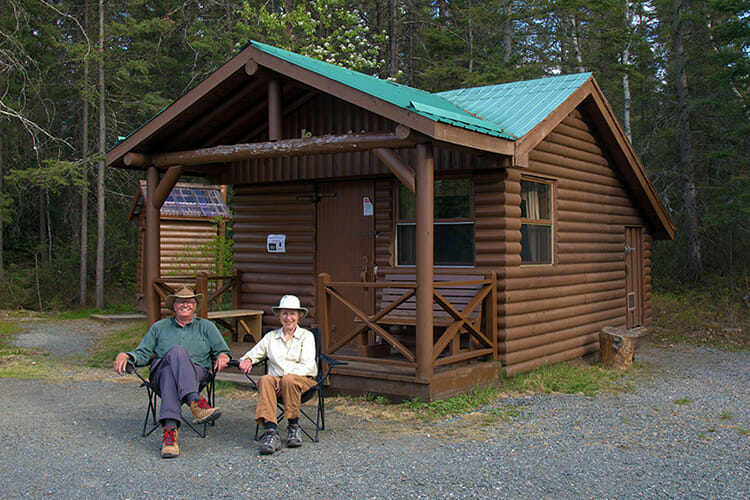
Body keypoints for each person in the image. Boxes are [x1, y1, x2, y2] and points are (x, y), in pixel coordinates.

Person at [113, 286, 231, 458]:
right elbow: (143, 353)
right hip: (159, 373)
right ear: (174, 306)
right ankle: (195, 401)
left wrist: (222, 356)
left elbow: (223, 351)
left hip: (195, 373)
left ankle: (170, 434)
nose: (185, 305)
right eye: (180, 302)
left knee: (171, 374)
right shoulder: (159, 327)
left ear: (195, 306)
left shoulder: (207, 327)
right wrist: (126, 355)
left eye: (189, 302)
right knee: (177, 352)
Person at [238, 294, 317, 455]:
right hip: (276, 383)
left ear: (299, 316)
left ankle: (293, 426)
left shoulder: (307, 337)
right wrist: (247, 360)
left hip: (303, 381)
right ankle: (271, 432)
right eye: (285, 314)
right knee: (265, 379)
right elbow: (253, 353)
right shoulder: (271, 337)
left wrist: (282, 381)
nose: (289, 318)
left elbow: (308, 365)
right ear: (279, 316)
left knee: (288, 379)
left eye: (292, 314)